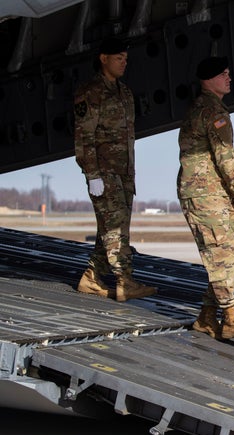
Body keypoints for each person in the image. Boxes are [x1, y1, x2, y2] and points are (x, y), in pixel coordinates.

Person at [177, 56, 234, 340]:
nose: (229, 78)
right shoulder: (214, 112)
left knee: (226, 254)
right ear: (208, 80)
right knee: (222, 255)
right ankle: (230, 317)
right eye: (223, 74)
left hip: (205, 191)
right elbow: (226, 158)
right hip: (207, 194)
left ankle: (205, 316)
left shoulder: (201, 107)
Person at [73, 37, 157, 302]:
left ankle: (91, 278)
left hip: (124, 173)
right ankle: (125, 281)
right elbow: (84, 136)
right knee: (115, 230)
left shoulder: (125, 93)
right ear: (103, 58)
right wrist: (92, 174)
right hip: (104, 173)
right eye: (118, 57)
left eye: (126, 58)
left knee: (111, 227)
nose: (124, 62)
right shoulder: (90, 92)